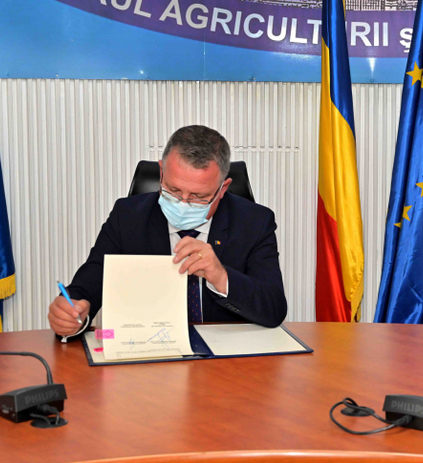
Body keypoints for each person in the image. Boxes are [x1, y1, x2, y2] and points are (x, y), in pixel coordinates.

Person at [48, 125, 286, 339]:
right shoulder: (128, 217)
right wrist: (71, 316)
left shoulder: (254, 222)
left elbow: (274, 309)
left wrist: (221, 276)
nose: (183, 203)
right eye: (173, 190)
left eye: (198, 197)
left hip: (226, 359)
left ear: (223, 189)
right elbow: (87, 286)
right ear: (161, 172)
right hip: (147, 352)